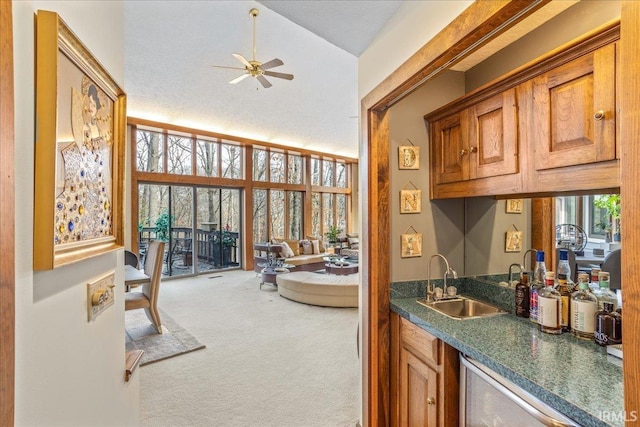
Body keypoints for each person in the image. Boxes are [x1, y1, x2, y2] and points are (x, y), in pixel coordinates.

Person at [54, 76, 113, 244]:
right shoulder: (82, 133)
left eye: (94, 105)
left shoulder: (98, 139)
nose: (90, 108)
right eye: (89, 104)